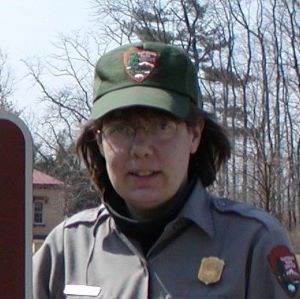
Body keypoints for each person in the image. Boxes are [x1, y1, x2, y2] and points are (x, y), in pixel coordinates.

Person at [33, 42, 300, 299]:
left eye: (162, 126)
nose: (141, 149)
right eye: (122, 129)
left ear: (195, 134)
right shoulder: (67, 249)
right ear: (100, 141)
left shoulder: (251, 243)